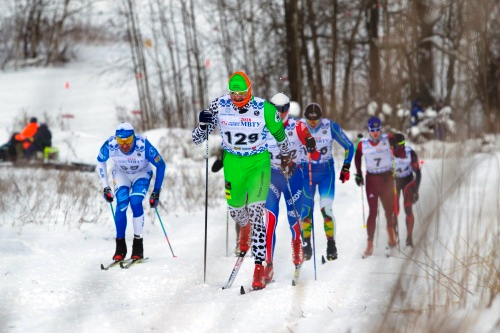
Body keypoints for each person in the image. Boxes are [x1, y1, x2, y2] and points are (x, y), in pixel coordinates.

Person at [192, 71, 292, 290]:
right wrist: (202, 125)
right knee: (236, 211)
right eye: (233, 93)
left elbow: (281, 138)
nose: (237, 97)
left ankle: (258, 268)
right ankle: (243, 228)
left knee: (257, 212)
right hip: (233, 164)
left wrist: (287, 156)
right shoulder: (219, 105)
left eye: (241, 93)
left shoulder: (264, 108)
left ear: (250, 90)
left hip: (258, 163)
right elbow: (197, 139)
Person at [263, 93, 321, 283]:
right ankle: (268, 264)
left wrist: (312, 148)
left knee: (293, 217)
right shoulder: (263, 126)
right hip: (271, 177)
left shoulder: (298, 126)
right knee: (270, 221)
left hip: (292, 176)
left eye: (284, 109)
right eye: (276, 109)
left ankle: (297, 245)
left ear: (288, 109)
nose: (280, 113)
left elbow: (315, 153)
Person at [97, 122, 166, 261]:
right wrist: (105, 187)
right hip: (122, 174)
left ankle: (138, 246)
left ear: (133, 137)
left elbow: (161, 164)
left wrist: (156, 191)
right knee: (121, 204)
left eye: (128, 141)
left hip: (141, 173)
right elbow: (100, 161)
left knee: (135, 201)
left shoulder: (143, 145)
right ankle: (120, 246)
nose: (124, 145)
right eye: (120, 141)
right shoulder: (110, 145)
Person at [300, 103, 354, 261]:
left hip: (326, 173)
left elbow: (349, 146)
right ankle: (306, 244)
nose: (313, 123)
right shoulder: (299, 126)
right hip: (306, 173)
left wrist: (346, 167)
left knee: (326, 210)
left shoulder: (330, 126)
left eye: (316, 119)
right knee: (306, 212)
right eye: (310, 120)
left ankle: (331, 244)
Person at [354, 116, 398, 257]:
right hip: (372, 180)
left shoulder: (386, 139)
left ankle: (391, 236)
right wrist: (359, 174)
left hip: (386, 179)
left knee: (388, 210)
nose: (375, 133)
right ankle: (370, 243)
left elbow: (397, 141)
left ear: (380, 129)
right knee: (373, 211)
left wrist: (397, 140)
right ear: (369, 130)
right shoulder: (363, 143)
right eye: (372, 130)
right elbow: (357, 156)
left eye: (377, 130)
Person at [392, 133, 421, 248]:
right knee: (394, 211)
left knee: (408, 209)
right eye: (397, 146)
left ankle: (409, 238)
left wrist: (416, 190)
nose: (400, 148)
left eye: (401, 145)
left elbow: (418, 172)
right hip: (395, 182)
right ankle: (394, 236)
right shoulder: (389, 154)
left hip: (408, 182)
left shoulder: (410, 153)